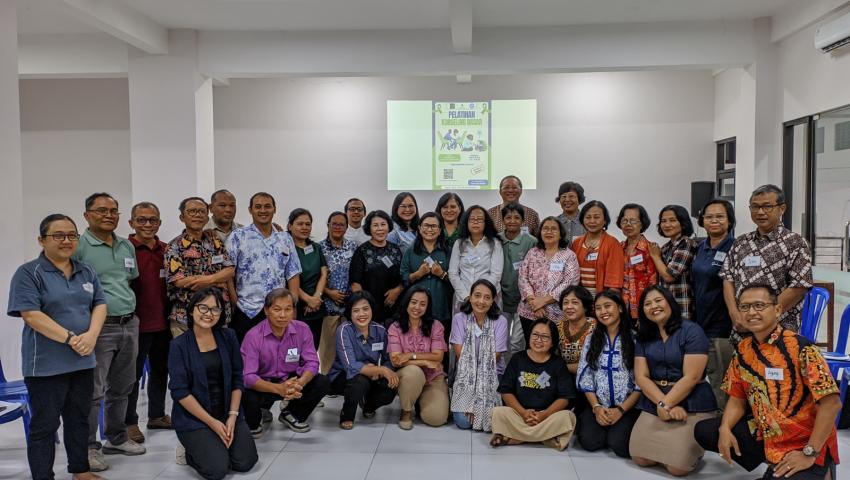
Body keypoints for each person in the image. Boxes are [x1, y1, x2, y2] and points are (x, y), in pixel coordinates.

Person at [694, 285, 842, 480]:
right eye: (745, 307)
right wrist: (725, 428)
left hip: (803, 440)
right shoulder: (743, 349)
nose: (751, 312)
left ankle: (818, 467)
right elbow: (737, 399)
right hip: (766, 431)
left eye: (759, 305)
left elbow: (831, 405)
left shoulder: (802, 349)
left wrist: (810, 453)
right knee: (705, 431)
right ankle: (775, 464)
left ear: (778, 309)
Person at [8, 214, 107, 480]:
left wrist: (92, 336)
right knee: (45, 425)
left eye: (72, 235)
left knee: (79, 420)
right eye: (58, 235)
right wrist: (72, 338)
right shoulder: (29, 273)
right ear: (42, 240)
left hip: (82, 362)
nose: (67, 241)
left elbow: (100, 303)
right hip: (45, 366)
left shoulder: (85, 270)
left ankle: (80, 470)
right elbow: (31, 314)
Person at [73, 193, 145, 471]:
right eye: (102, 210)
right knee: (94, 390)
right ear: (87, 215)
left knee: (124, 386)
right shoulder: (80, 246)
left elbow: (128, 281)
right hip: (98, 328)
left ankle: (116, 436)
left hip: (129, 323)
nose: (109, 215)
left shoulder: (126, 245)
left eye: (114, 210)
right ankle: (90, 447)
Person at [168, 288, 258, 480]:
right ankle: (189, 450)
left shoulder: (229, 337)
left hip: (227, 411)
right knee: (217, 470)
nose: (208, 314)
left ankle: (214, 445)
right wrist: (213, 424)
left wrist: (232, 417)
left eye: (215, 309)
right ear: (192, 310)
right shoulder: (178, 346)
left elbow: (237, 378)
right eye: (203, 308)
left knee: (245, 462)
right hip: (196, 418)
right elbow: (179, 392)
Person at [629, 286, 717, 476]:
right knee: (640, 458)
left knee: (677, 469)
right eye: (647, 303)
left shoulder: (692, 330)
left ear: (670, 302)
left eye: (658, 300)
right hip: (656, 398)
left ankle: (692, 448)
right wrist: (663, 403)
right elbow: (641, 377)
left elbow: (692, 377)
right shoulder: (644, 336)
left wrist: (667, 404)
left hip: (692, 400)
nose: (654, 306)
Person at [721, 184, 813, 332]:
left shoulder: (795, 243)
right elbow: (727, 278)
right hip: (742, 328)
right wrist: (736, 315)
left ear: (782, 209)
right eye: (755, 207)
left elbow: (798, 287)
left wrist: (762, 316)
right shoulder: (741, 242)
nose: (760, 212)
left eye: (767, 206)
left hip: (779, 329)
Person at [241, 288, 331, 436]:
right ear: (266, 310)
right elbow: (248, 376)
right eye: (277, 309)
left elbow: (312, 363)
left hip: (291, 381)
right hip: (264, 384)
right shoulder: (253, 336)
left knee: (322, 382)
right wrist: (278, 389)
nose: (282, 315)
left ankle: (291, 414)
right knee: (245, 392)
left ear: (293, 311)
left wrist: (300, 383)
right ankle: (257, 418)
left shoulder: (302, 329)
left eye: (288, 309)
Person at [490, 318, 577, 450]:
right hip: (519, 414)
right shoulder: (518, 358)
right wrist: (523, 413)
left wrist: (544, 415)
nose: (538, 340)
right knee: (498, 413)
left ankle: (517, 437)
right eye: (535, 335)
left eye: (545, 337)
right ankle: (544, 438)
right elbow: (506, 391)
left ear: (553, 341)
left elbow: (564, 398)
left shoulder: (558, 363)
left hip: (547, 416)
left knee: (568, 417)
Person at [227, 192, 302, 342]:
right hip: (247, 310)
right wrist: (235, 302)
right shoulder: (237, 236)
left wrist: (292, 306)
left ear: (274, 209)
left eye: (267, 206)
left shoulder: (285, 238)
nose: (263, 211)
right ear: (250, 210)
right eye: (258, 207)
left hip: (278, 311)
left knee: (277, 357)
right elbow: (228, 273)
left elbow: (293, 274)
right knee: (247, 359)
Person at [126, 202, 172, 444]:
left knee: (160, 371)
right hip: (135, 324)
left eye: (152, 220)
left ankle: (156, 415)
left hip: (163, 323)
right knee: (131, 376)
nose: (147, 224)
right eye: (141, 220)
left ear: (159, 223)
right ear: (131, 223)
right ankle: (130, 422)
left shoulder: (166, 250)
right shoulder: (125, 250)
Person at [575, 290, 640, 458]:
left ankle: (616, 429)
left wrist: (620, 410)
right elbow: (586, 376)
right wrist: (596, 408)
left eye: (607, 306)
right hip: (599, 404)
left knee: (620, 446)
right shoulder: (591, 338)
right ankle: (604, 424)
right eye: (598, 308)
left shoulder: (635, 339)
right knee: (590, 442)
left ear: (619, 308)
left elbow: (641, 382)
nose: (603, 312)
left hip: (627, 406)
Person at [328, 291, 399, 429]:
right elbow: (351, 366)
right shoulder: (344, 330)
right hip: (343, 376)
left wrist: (383, 370)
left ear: (372, 309)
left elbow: (388, 360)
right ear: (350, 313)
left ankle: (368, 405)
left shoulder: (380, 330)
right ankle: (347, 415)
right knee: (359, 381)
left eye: (365, 309)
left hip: (372, 373)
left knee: (391, 386)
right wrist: (378, 369)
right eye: (356, 311)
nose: (362, 314)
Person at [166, 197, 235, 338]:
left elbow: (229, 270)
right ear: (182, 217)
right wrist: (217, 281)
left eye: (201, 211)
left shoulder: (215, 241)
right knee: (189, 359)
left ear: (206, 216)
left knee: (218, 358)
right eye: (192, 211)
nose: (197, 215)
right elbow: (179, 280)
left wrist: (207, 280)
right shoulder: (174, 246)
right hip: (186, 318)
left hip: (218, 315)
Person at [691, 199, 736, 409]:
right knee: (706, 377)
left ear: (729, 220)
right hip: (701, 323)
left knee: (723, 382)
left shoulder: (735, 248)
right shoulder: (701, 246)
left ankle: (727, 430)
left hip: (723, 326)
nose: (714, 221)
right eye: (709, 217)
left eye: (720, 216)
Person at [450, 279, 508, 431]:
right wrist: (470, 402)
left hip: (492, 375)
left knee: (489, 419)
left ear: (493, 300)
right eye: (477, 295)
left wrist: (476, 401)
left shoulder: (501, 321)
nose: (481, 301)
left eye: (487, 297)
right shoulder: (459, 319)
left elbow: (493, 359)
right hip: (466, 375)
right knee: (464, 422)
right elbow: (461, 356)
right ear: (470, 297)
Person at [387, 287, 450, 429]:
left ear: (427, 307)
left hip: (432, 377)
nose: (417, 307)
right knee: (414, 372)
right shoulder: (395, 327)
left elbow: (438, 356)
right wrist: (425, 361)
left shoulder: (436, 326)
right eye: (413, 302)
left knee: (436, 419)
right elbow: (396, 361)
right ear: (406, 303)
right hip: (408, 376)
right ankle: (406, 411)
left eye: (423, 304)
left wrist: (410, 355)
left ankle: (421, 400)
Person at [517, 216, 580, 343]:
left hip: (557, 314)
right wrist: (534, 304)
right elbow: (523, 278)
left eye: (553, 229)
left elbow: (570, 282)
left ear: (561, 234)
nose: (549, 232)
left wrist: (543, 302)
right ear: (540, 233)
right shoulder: (533, 253)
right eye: (545, 228)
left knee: (553, 348)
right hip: (529, 311)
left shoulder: (568, 255)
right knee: (532, 346)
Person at [349, 210, 404, 325]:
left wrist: (397, 290)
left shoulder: (396, 249)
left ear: (389, 226)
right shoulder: (362, 251)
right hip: (370, 311)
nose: (380, 229)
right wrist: (364, 307)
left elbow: (404, 276)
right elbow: (355, 283)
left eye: (383, 224)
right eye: (375, 225)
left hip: (395, 309)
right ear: (369, 228)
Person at [318, 211, 357, 374]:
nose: (338, 227)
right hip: (328, 306)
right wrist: (328, 292)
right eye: (334, 224)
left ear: (347, 227)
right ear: (328, 226)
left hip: (350, 307)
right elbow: (315, 276)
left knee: (348, 348)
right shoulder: (318, 248)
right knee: (327, 349)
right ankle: (325, 382)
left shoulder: (353, 247)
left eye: (342, 224)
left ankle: (345, 382)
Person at [448, 205, 504, 313]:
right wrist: (467, 296)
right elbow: (453, 273)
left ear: (485, 222)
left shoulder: (494, 244)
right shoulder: (459, 243)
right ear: (466, 222)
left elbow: (496, 274)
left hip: (488, 299)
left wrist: (480, 296)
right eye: (472, 219)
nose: (475, 222)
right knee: (462, 329)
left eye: (479, 219)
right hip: (463, 298)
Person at [400, 212, 452, 326]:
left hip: (441, 309)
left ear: (439, 230)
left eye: (433, 226)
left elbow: (456, 279)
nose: (429, 229)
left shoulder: (448, 252)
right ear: (419, 228)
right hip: (415, 311)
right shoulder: (410, 251)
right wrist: (418, 274)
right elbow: (403, 277)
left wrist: (441, 274)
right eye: (426, 225)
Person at [499, 203, 538, 358]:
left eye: (517, 217)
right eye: (508, 217)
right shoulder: (496, 240)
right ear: (503, 220)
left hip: (524, 300)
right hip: (501, 298)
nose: (512, 221)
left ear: (523, 221)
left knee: (517, 341)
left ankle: (517, 371)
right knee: (501, 340)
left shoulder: (531, 242)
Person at [288, 208, 328, 348]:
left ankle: (311, 370)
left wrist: (316, 297)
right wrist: (308, 299)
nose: (304, 227)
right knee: (294, 349)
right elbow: (289, 279)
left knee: (313, 346)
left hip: (317, 306)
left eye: (308, 224)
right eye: (300, 224)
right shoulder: (286, 248)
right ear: (290, 226)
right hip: (296, 307)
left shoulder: (316, 247)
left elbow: (323, 273)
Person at [649, 205, 697, 320]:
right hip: (667, 308)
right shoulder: (666, 247)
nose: (667, 225)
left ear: (683, 223)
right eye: (663, 221)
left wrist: (655, 257)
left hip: (682, 310)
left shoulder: (686, 244)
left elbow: (669, 276)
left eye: (672, 220)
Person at [570, 200, 624, 296]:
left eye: (597, 217)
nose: (592, 221)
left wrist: (606, 303)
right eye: (588, 217)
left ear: (605, 220)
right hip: (580, 300)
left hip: (602, 298)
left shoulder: (613, 243)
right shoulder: (576, 243)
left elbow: (614, 282)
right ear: (582, 219)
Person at [618, 203, 657, 322]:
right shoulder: (619, 248)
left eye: (633, 221)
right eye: (624, 221)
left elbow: (653, 282)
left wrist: (647, 311)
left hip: (643, 308)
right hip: (621, 308)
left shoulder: (650, 249)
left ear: (642, 223)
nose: (628, 224)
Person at [557, 286, 596, 377]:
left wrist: (560, 368)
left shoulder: (596, 328)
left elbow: (594, 364)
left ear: (585, 307)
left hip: (589, 380)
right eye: (565, 303)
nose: (569, 307)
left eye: (575, 302)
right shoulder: (558, 327)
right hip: (561, 378)